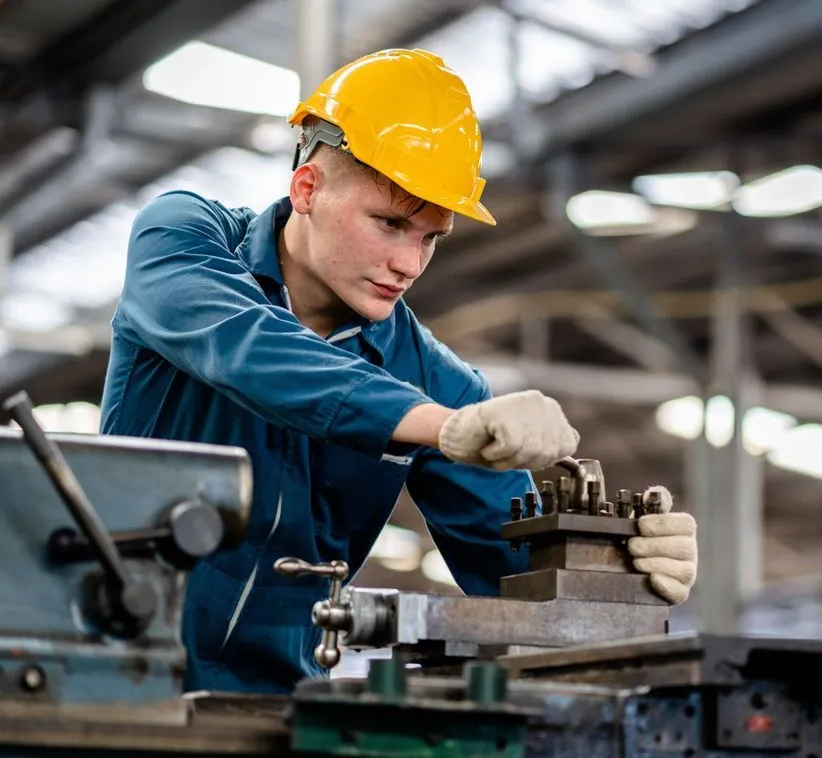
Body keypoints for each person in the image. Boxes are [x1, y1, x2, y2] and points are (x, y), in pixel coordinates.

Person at [99, 48, 698, 694]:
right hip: (94, 672)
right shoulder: (182, 242)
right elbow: (252, 351)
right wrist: (436, 427)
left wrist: (619, 566)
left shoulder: (442, 387)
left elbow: (520, 581)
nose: (409, 264)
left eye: (430, 238)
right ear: (307, 189)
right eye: (390, 224)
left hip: (268, 712)